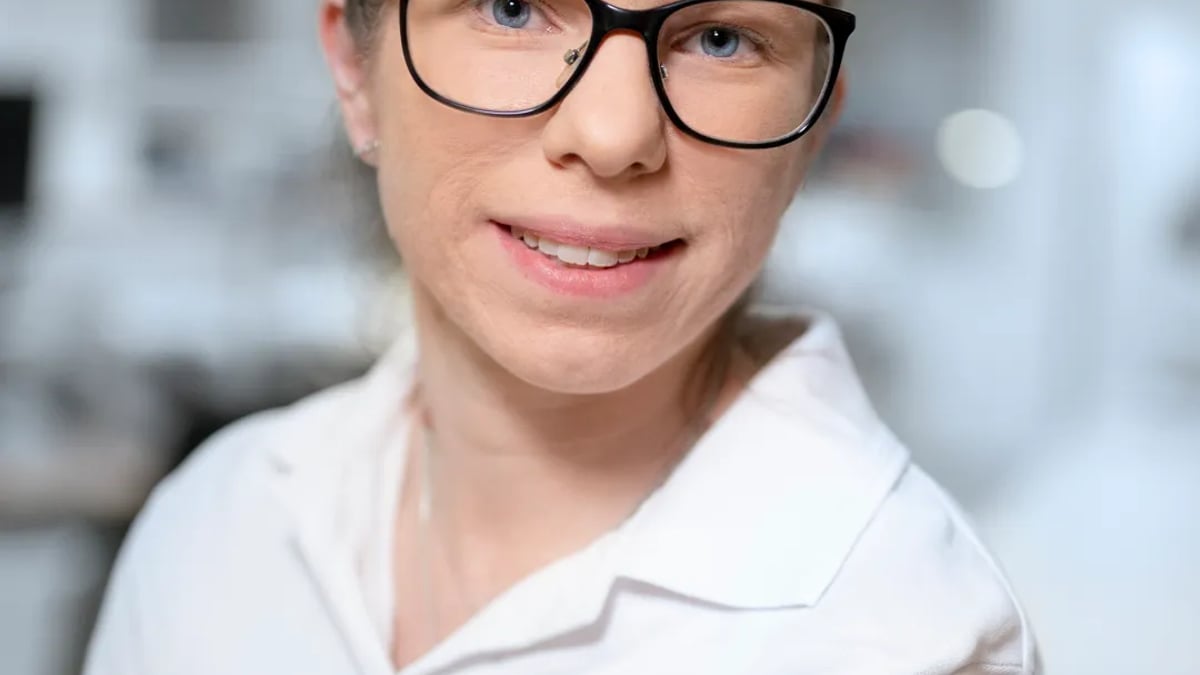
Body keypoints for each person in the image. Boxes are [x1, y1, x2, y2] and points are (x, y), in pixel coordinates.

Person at [84, 0, 1040, 672]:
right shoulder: (214, 526)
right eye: (510, 6)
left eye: (720, 36)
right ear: (355, 69)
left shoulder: (910, 637)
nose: (616, 130)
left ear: (812, 125)